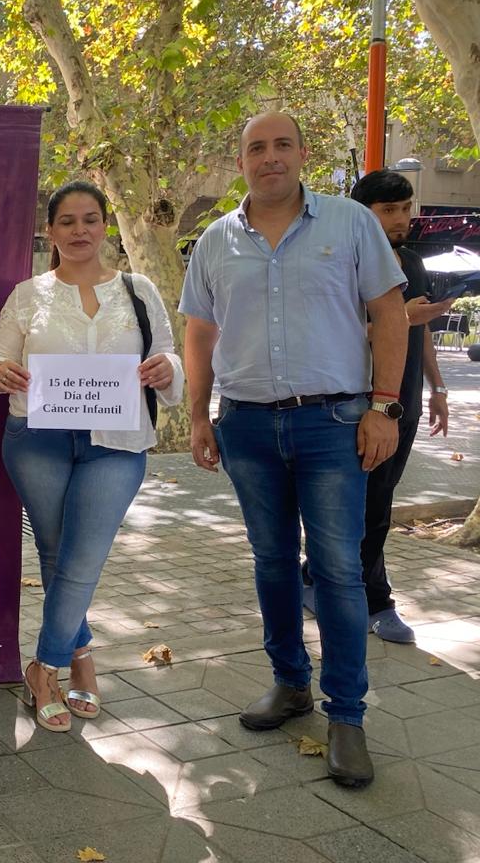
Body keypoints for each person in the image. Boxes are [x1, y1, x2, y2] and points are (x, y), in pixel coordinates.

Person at [180, 112, 408, 788]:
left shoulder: (351, 222)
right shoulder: (215, 241)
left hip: (334, 424)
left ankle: (347, 715)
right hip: (246, 426)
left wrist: (385, 406)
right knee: (273, 561)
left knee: (337, 569)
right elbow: (199, 333)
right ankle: (289, 683)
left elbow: (389, 313)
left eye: (283, 145)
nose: (270, 157)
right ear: (241, 160)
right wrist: (197, 416)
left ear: (304, 153)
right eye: (257, 147)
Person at [0, 181, 183, 732]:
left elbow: (168, 355)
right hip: (37, 439)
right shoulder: (28, 295)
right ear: (51, 231)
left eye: (90, 219)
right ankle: (82, 657)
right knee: (56, 554)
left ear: (104, 226)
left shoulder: (138, 290)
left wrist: (166, 369)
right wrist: (1, 372)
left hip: (116, 443)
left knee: (84, 557)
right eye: (67, 221)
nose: (79, 230)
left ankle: (43, 667)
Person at [300, 169, 450, 644]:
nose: (401, 219)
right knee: (367, 507)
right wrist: (403, 316)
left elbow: (420, 332)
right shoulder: (341, 262)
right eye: (388, 210)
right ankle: (374, 600)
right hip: (356, 404)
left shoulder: (412, 262)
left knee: (377, 502)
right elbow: (332, 332)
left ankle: (315, 577)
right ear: (361, 213)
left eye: (406, 208)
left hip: (403, 404)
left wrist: (438, 389)